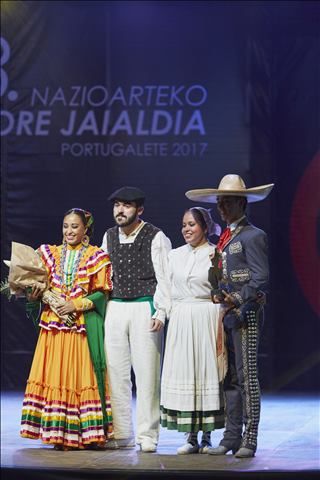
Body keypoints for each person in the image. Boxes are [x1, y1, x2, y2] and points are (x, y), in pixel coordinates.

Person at [185, 174, 274, 458]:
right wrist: (216, 292)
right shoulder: (225, 238)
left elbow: (260, 278)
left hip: (246, 313)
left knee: (248, 376)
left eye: (227, 202)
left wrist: (235, 298)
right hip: (225, 314)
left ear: (241, 203)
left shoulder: (253, 235)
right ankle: (231, 436)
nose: (222, 208)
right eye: (220, 202)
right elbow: (220, 275)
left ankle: (250, 437)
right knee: (229, 377)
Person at [20, 208, 113, 450]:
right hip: (53, 325)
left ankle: (84, 434)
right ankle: (57, 433)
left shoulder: (97, 257)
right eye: (65, 226)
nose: (69, 231)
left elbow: (102, 294)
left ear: (85, 230)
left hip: (79, 326)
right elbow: (35, 290)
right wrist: (37, 294)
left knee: (77, 376)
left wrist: (75, 304)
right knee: (55, 376)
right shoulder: (48, 254)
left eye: (74, 226)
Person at [101, 186, 171, 453]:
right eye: (117, 205)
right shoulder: (108, 236)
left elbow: (165, 277)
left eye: (127, 205)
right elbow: (103, 274)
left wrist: (161, 311)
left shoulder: (155, 236)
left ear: (139, 210)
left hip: (145, 307)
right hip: (116, 307)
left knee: (147, 375)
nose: (120, 210)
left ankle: (147, 433)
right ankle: (122, 432)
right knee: (116, 374)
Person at [160, 207, 227, 455]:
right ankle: (190, 437)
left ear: (205, 227)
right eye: (184, 224)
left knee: (206, 372)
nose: (187, 229)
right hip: (181, 318)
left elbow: (222, 286)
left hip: (207, 316)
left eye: (192, 225)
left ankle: (207, 436)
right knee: (187, 372)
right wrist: (161, 313)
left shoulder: (215, 253)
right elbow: (165, 287)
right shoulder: (174, 255)